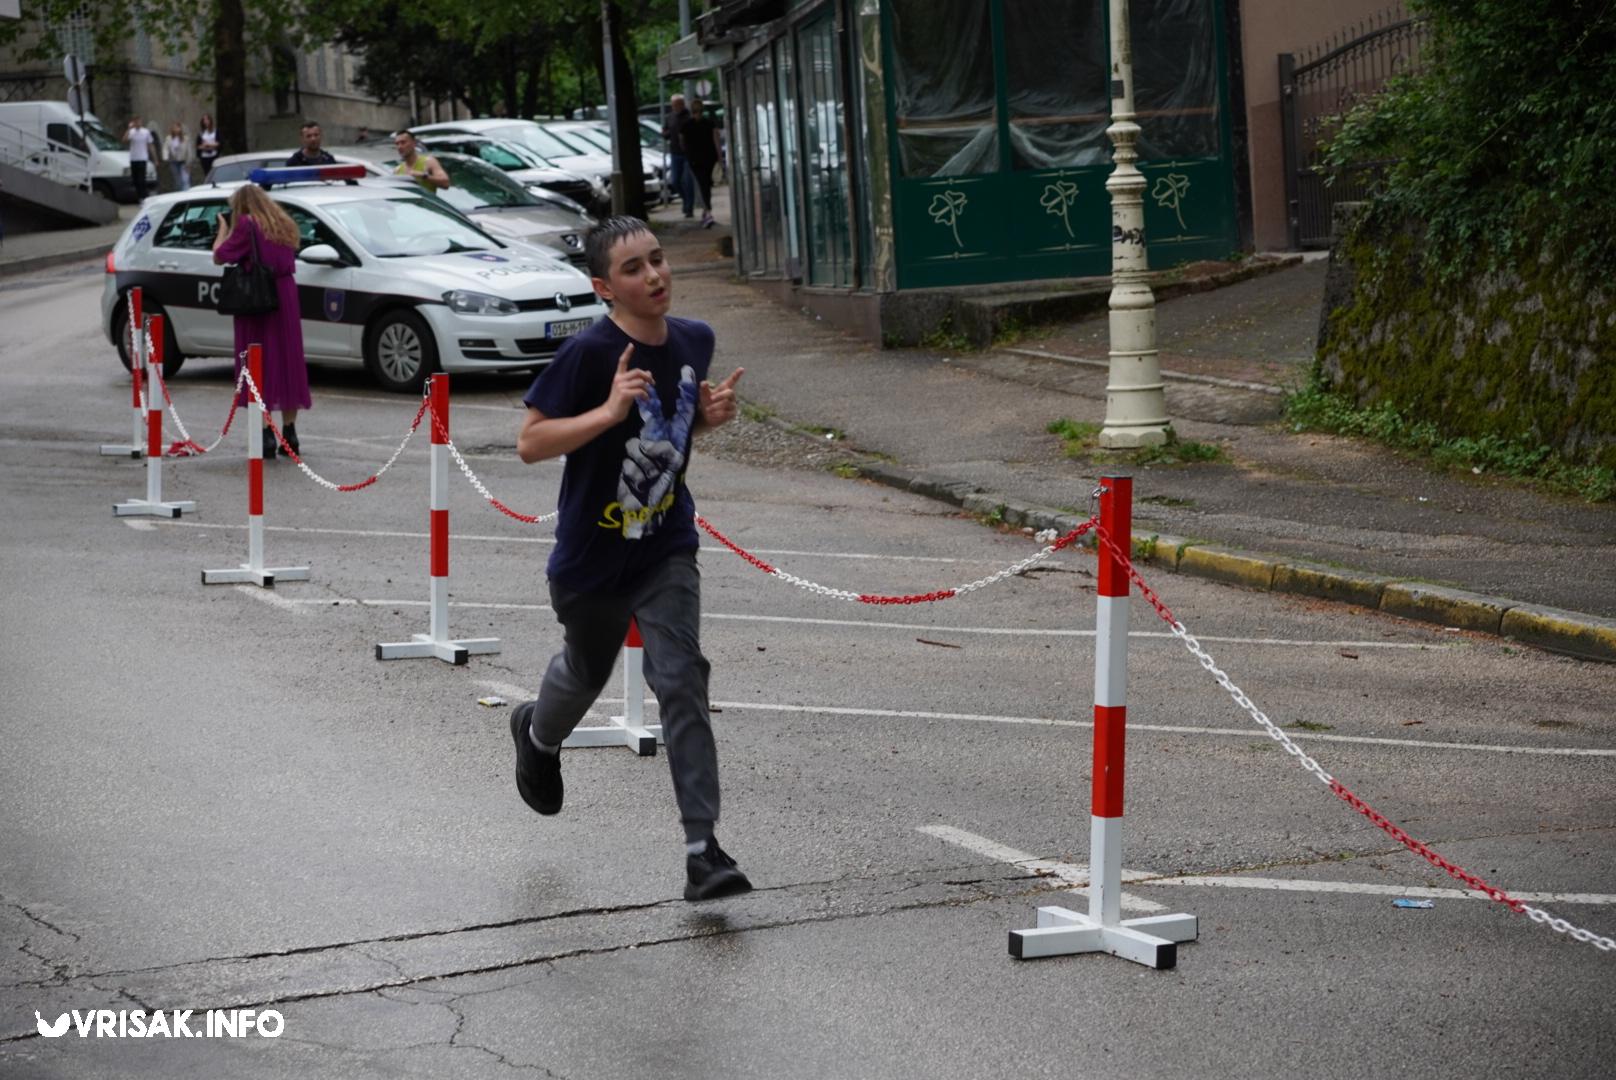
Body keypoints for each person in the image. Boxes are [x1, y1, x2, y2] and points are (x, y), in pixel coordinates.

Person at [511, 216, 750, 902]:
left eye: (658, 260)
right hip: (591, 560)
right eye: (634, 269)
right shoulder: (590, 356)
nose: (654, 276)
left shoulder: (694, 340)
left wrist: (707, 415)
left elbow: (673, 425)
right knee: (586, 671)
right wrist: (609, 412)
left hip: (665, 546)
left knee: (682, 680)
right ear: (603, 287)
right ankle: (537, 734)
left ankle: (703, 851)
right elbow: (530, 443)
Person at [212, 185, 311, 458]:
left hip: (257, 298)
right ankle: (290, 432)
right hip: (285, 295)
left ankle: (266, 432)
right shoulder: (283, 223)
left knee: (258, 363)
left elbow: (219, 255)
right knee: (287, 360)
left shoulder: (245, 224)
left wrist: (223, 227)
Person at [683, 100, 721, 229]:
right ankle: (707, 211)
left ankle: (707, 211)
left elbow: (681, 142)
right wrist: (720, 158)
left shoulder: (686, 125)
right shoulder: (709, 123)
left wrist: (688, 155)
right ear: (702, 110)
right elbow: (716, 141)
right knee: (706, 185)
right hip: (709, 158)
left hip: (695, 160)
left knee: (702, 184)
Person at [661, 94, 693, 218]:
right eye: (673, 105)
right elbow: (664, 132)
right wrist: (667, 133)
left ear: (683, 104)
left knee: (687, 181)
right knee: (675, 181)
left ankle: (689, 207)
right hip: (675, 153)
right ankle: (685, 199)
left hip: (688, 154)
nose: (675, 107)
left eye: (678, 104)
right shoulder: (670, 117)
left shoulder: (688, 116)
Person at [123, 117, 155, 200]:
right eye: (136, 122)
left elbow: (150, 145)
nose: (138, 123)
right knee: (135, 180)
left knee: (141, 179)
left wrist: (155, 158)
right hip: (133, 158)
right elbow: (124, 140)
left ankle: (144, 197)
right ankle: (140, 196)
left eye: (139, 122)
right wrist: (129, 129)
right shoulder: (131, 132)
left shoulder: (146, 132)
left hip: (142, 158)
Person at [163, 121, 192, 191]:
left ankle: (186, 195)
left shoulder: (185, 138)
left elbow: (189, 151)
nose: (176, 129)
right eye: (174, 128)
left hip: (183, 161)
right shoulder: (168, 138)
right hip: (173, 161)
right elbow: (165, 148)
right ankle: (179, 194)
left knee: (185, 180)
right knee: (177, 181)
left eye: (177, 127)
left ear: (180, 129)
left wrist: (189, 162)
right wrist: (165, 157)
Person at [195, 115, 221, 180]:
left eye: (207, 119)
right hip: (204, 156)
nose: (206, 121)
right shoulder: (201, 133)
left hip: (214, 155)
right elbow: (198, 146)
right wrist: (204, 146)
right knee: (207, 173)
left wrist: (210, 145)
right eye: (204, 120)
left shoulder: (216, 131)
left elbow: (219, 143)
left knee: (215, 172)